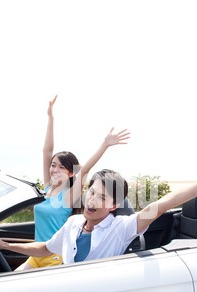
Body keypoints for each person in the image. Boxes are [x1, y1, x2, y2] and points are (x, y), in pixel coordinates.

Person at [0, 157, 197, 264]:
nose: (91, 201)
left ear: (114, 206)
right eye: (91, 193)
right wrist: (5, 244)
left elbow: (162, 204)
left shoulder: (122, 227)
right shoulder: (74, 223)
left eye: (102, 198)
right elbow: (45, 249)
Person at [18, 94, 130, 270]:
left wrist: (104, 145)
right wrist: (50, 117)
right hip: (37, 255)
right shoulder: (47, 187)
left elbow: (84, 170)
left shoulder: (69, 196)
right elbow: (47, 150)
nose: (54, 169)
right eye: (53, 166)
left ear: (71, 173)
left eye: (61, 168)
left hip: (55, 257)